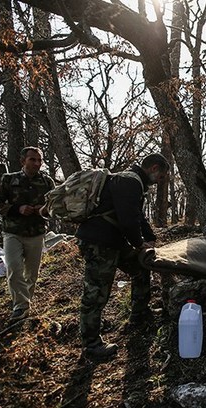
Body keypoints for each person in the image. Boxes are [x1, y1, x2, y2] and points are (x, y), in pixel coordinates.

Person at [73, 153, 170, 360]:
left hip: (113, 241)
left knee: (141, 266)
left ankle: (139, 314)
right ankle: (91, 346)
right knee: (96, 293)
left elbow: (137, 215)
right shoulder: (130, 182)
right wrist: (139, 243)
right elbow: (128, 221)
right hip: (99, 243)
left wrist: (150, 237)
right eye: (160, 176)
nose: (159, 181)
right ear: (154, 168)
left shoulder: (133, 182)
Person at [0, 146, 55, 323]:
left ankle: (25, 302)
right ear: (22, 161)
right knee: (14, 267)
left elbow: (55, 207)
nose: (37, 163)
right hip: (13, 232)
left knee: (31, 274)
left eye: (39, 160)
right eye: (32, 159)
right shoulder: (9, 180)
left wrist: (43, 210)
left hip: (36, 233)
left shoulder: (47, 182)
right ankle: (20, 306)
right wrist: (17, 209)